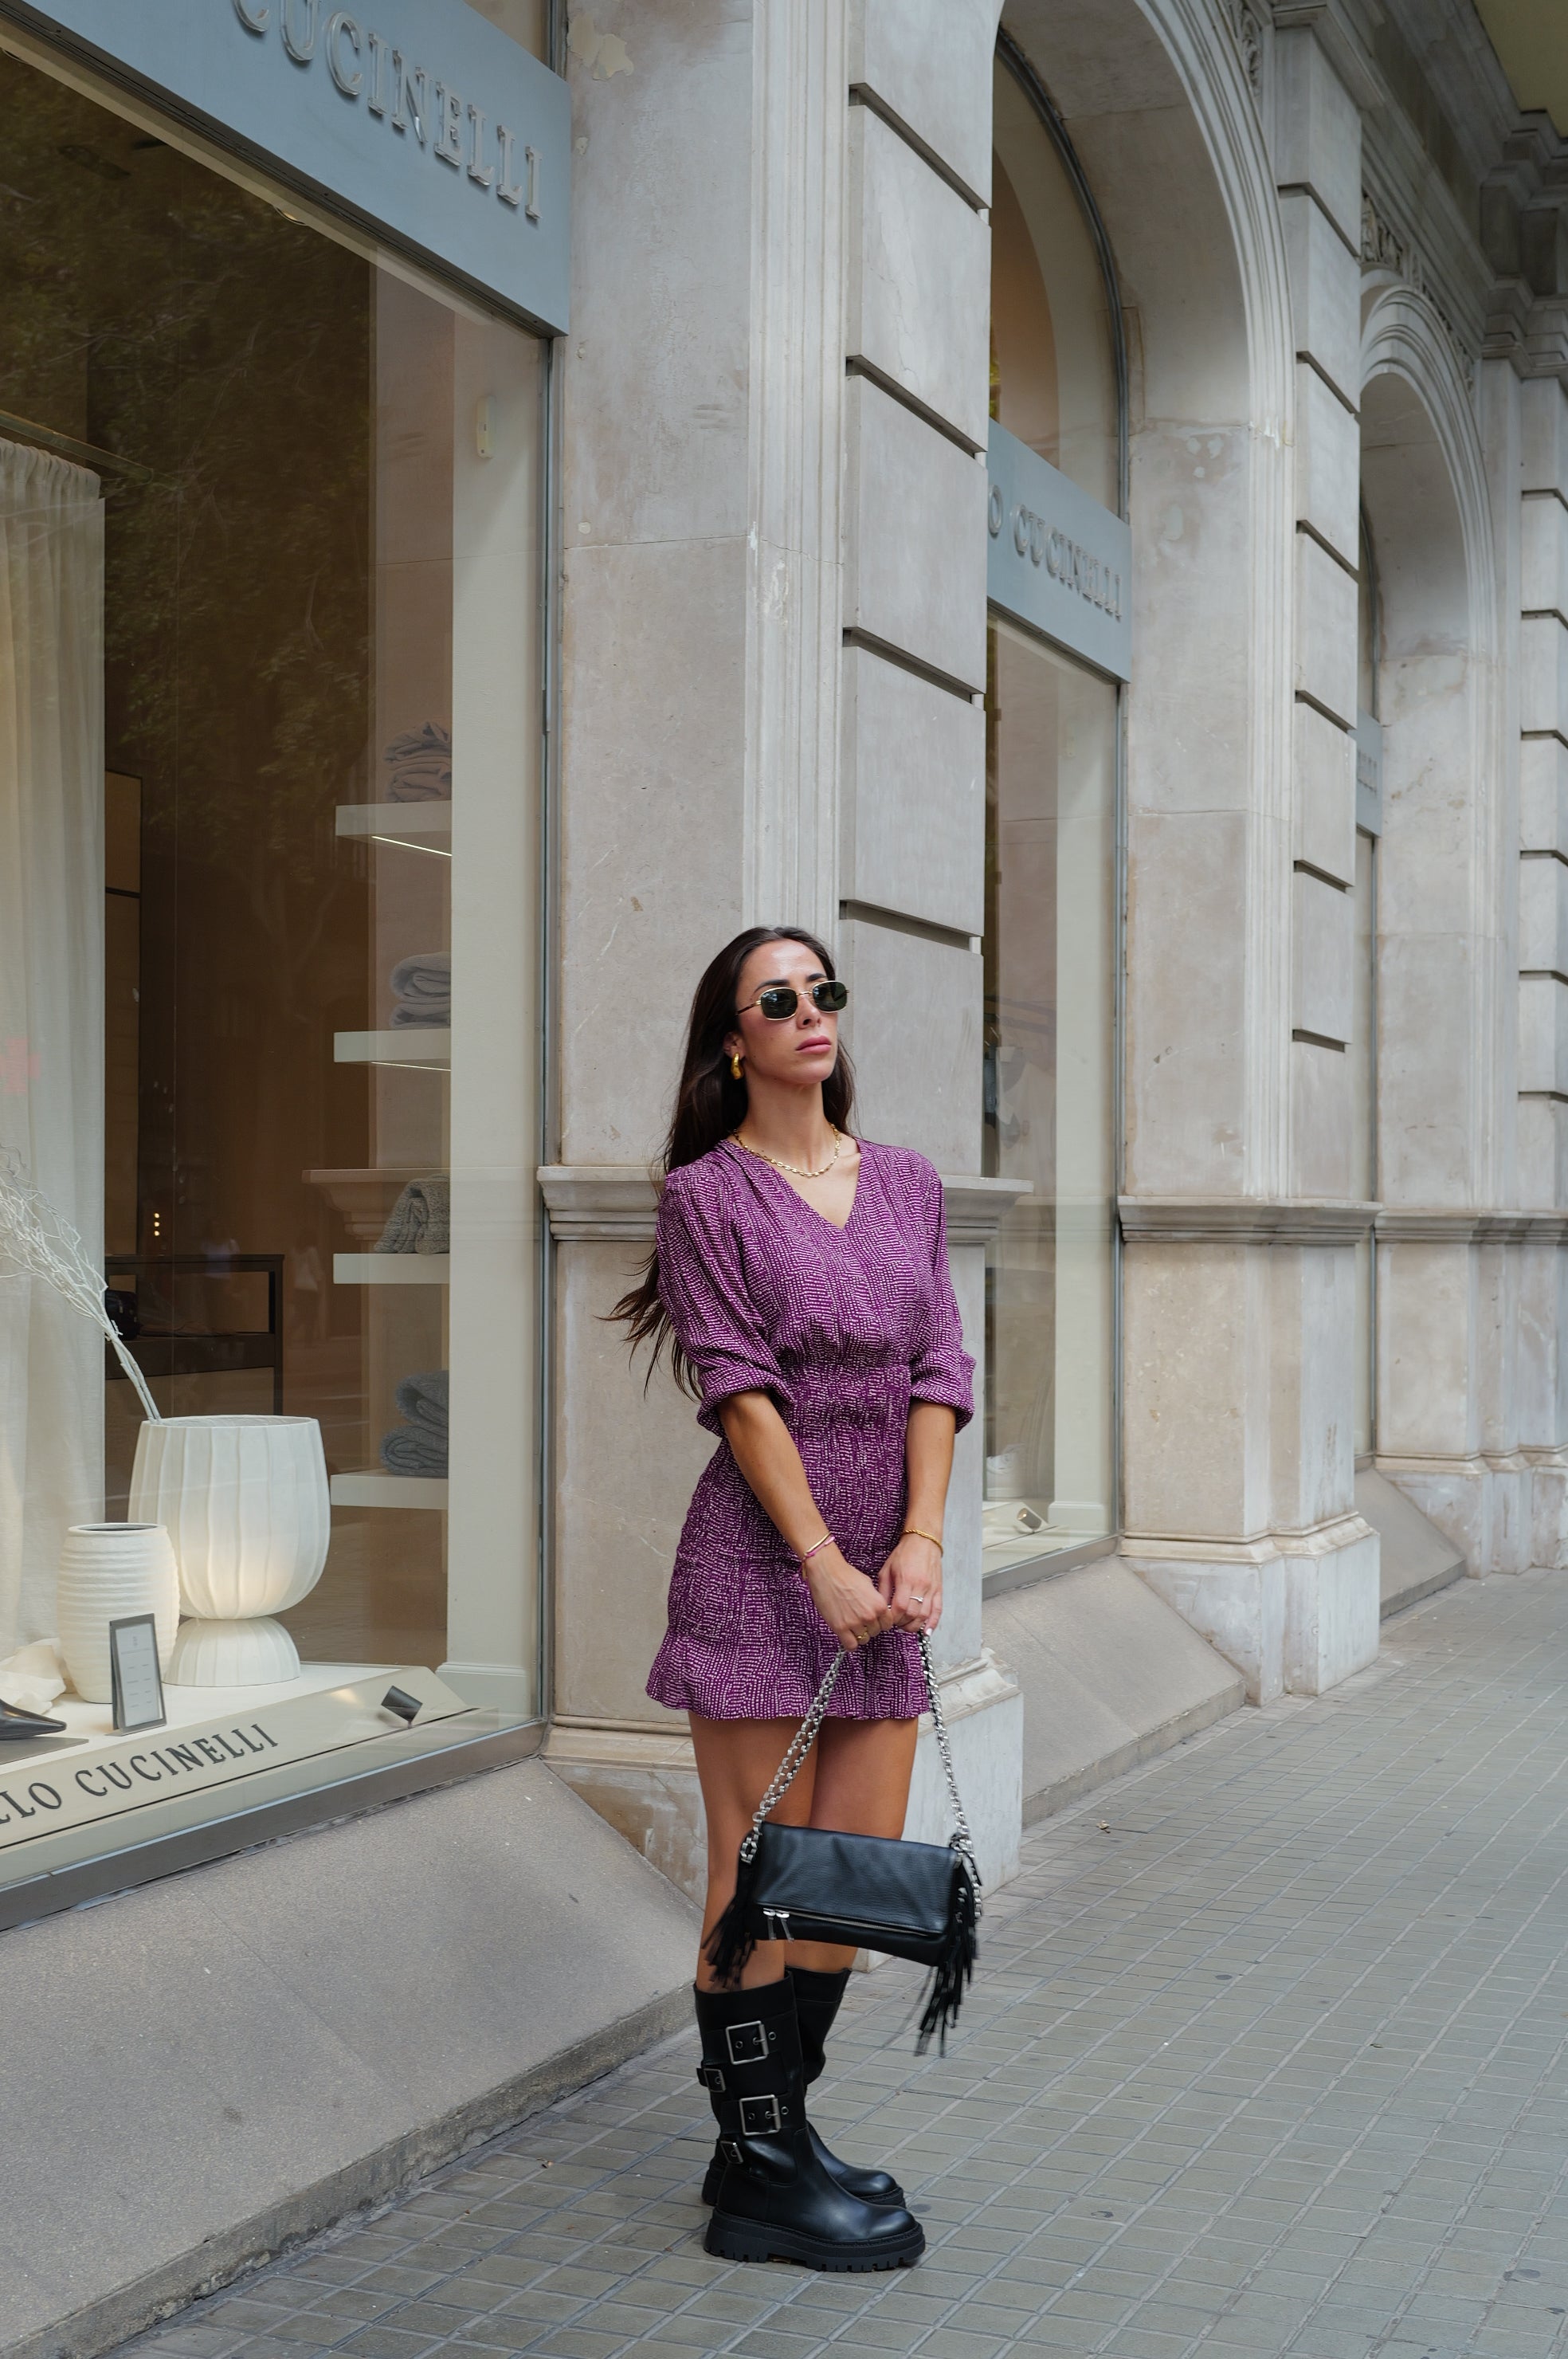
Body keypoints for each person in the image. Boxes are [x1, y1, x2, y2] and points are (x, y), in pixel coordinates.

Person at [612, 924, 973, 2272]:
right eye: (781, 998)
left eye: (826, 991)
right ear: (735, 1039)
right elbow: (735, 1385)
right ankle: (766, 2167)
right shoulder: (709, 1194)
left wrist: (920, 1540)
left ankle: (766, 2138)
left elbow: (942, 1364)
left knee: (844, 1885)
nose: (812, 1011)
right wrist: (820, 1556)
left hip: (888, 1571)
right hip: (765, 1563)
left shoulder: (909, 1181)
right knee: (755, 1872)